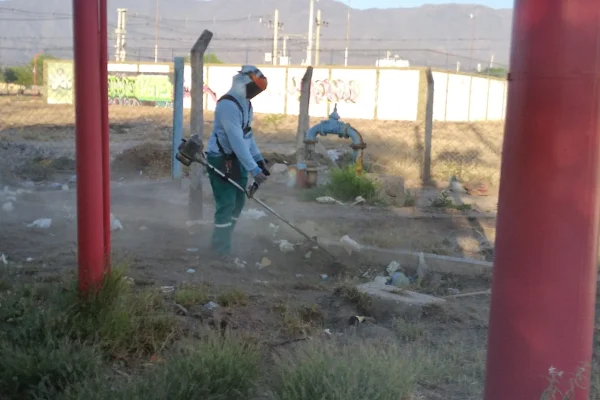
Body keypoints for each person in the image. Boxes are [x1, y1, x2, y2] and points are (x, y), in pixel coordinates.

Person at [205, 65, 270, 258]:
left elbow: (247, 136)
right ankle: (220, 250)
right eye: (254, 88)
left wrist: (258, 160)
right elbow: (235, 140)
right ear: (243, 82)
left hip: (237, 160)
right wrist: (252, 168)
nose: (254, 93)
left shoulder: (247, 105)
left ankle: (225, 240)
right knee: (226, 203)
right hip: (220, 158)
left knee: (239, 202)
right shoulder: (227, 105)